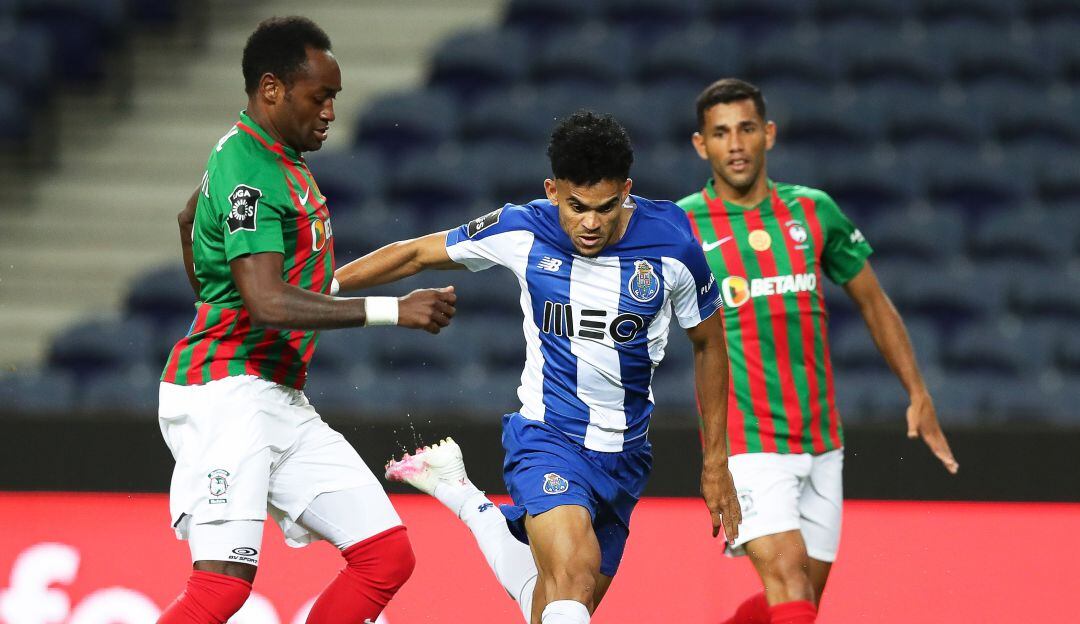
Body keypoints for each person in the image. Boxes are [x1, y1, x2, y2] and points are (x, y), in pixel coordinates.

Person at [333, 111, 742, 624]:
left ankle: (462, 495)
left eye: (606, 207)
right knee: (571, 579)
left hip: (625, 456)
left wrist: (715, 462)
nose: (590, 223)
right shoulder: (521, 228)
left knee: (553, 606)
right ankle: (467, 495)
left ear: (627, 191)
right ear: (552, 190)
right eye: (576, 207)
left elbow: (709, 344)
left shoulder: (674, 249)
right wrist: (319, 291)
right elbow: (415, 253)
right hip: (547, 438)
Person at [156, 16, 457, 624]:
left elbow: (191, 218)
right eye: (319, 96)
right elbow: (267, 303)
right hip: (227, 394)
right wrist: (391, 311)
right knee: (221, 591)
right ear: (272, 89)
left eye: (334, 99)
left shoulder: (268, 159)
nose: (329, 112)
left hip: (278, 397)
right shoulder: (251, 169)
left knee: (385, 556)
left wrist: (213, 291)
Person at [677, 78, 960, 624]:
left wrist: (918, 392)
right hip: (748, 441)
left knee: (800, 600)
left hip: (821, 439)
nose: (735, 144)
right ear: (700, 145)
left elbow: (875, 304)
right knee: (789, 587)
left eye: (746, 129)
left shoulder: (814, 211)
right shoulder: (681, 224)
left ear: (769, 134)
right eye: (720, 133)